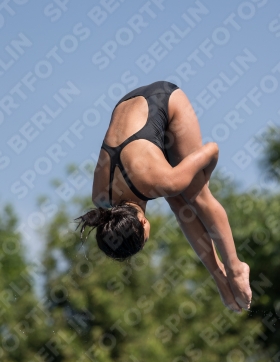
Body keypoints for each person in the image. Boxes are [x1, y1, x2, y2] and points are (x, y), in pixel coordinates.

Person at [76, 81, 252, 313]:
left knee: (196, 196)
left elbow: (212, 149)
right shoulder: (100, 197)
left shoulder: (164, 180)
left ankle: (235, 268)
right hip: (127, 105)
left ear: (142, 222)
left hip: (164, 99)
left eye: (146, 238)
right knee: (177, 200)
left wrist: (199, 178)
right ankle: (219, 277)